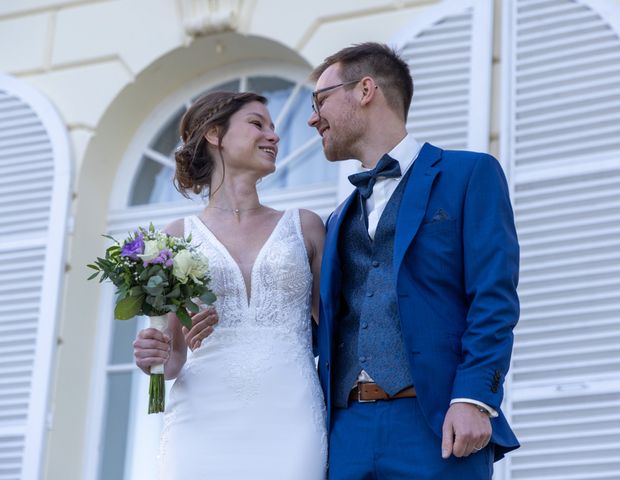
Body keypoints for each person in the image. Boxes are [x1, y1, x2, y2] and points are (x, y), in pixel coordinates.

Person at [308, 42, 520, 479]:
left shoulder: (468, 175)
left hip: (436, 423)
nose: (313, 118)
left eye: (320, 100)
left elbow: (493, 298)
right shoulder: (338, 217)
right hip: (346, 432)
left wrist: (474, 398)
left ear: (365, 90)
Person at [132, 91, 327, 479]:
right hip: (202, 420)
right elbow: (169, 364)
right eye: (258, 124)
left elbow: (336, 331)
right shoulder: (175, 238)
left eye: (273, 128)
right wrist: (153, 353)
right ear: (215, 135)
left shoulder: (305, 227)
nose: (273, 136)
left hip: (291, 416)